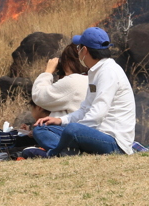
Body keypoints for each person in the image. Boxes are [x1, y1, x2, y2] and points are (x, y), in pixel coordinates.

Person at [32, 27, 135, 157]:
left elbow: (98, 113)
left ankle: (56, 152)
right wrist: (60, 120)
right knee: (41, 129)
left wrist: (74, 131)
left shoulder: (109, 71)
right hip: (96, 134)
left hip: (113, 141)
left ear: (84, 50)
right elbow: (85, 109)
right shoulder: (96, 71)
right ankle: (66, 153)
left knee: (73, 129)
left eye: (79, 48)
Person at [31, 43, 89, 118]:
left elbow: (38, 96)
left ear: (70, 63)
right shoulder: (96, 78)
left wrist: (48, 72)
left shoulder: (74, 81)